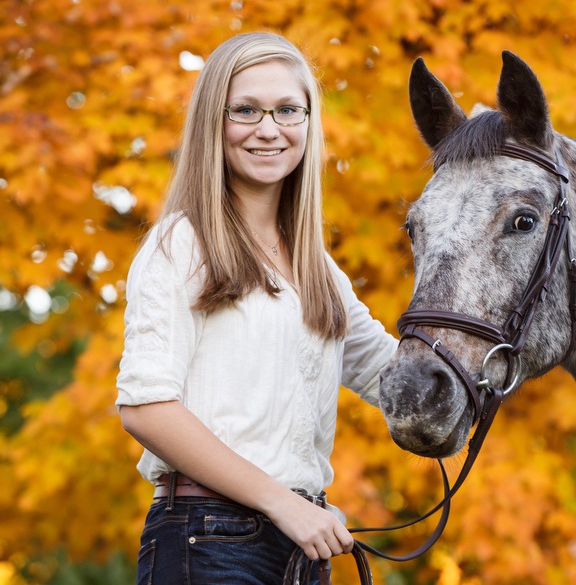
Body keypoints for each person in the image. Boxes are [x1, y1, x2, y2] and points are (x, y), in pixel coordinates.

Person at [116, 32, 397, 584]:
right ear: (213, 123)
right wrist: (282, 502)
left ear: (309, 122)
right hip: (208, 539)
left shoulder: (318, 269)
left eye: (288, 110)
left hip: (301, 546)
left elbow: (398, 377)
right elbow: (145, 406)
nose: (268, 129)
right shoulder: (182, 243)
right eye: (245, 110)